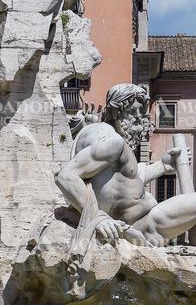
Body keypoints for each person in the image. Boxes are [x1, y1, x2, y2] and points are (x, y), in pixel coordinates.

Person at [56, 84, 195, 249]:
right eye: (132, 111)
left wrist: (163, 165)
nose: (138, 118)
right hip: (144, 228)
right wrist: (98, 218)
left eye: (141, 112)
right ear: (116, 112)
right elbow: (65, 177)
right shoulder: (112, 141)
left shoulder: (108, 140)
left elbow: (125, 181)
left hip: (140, 223)